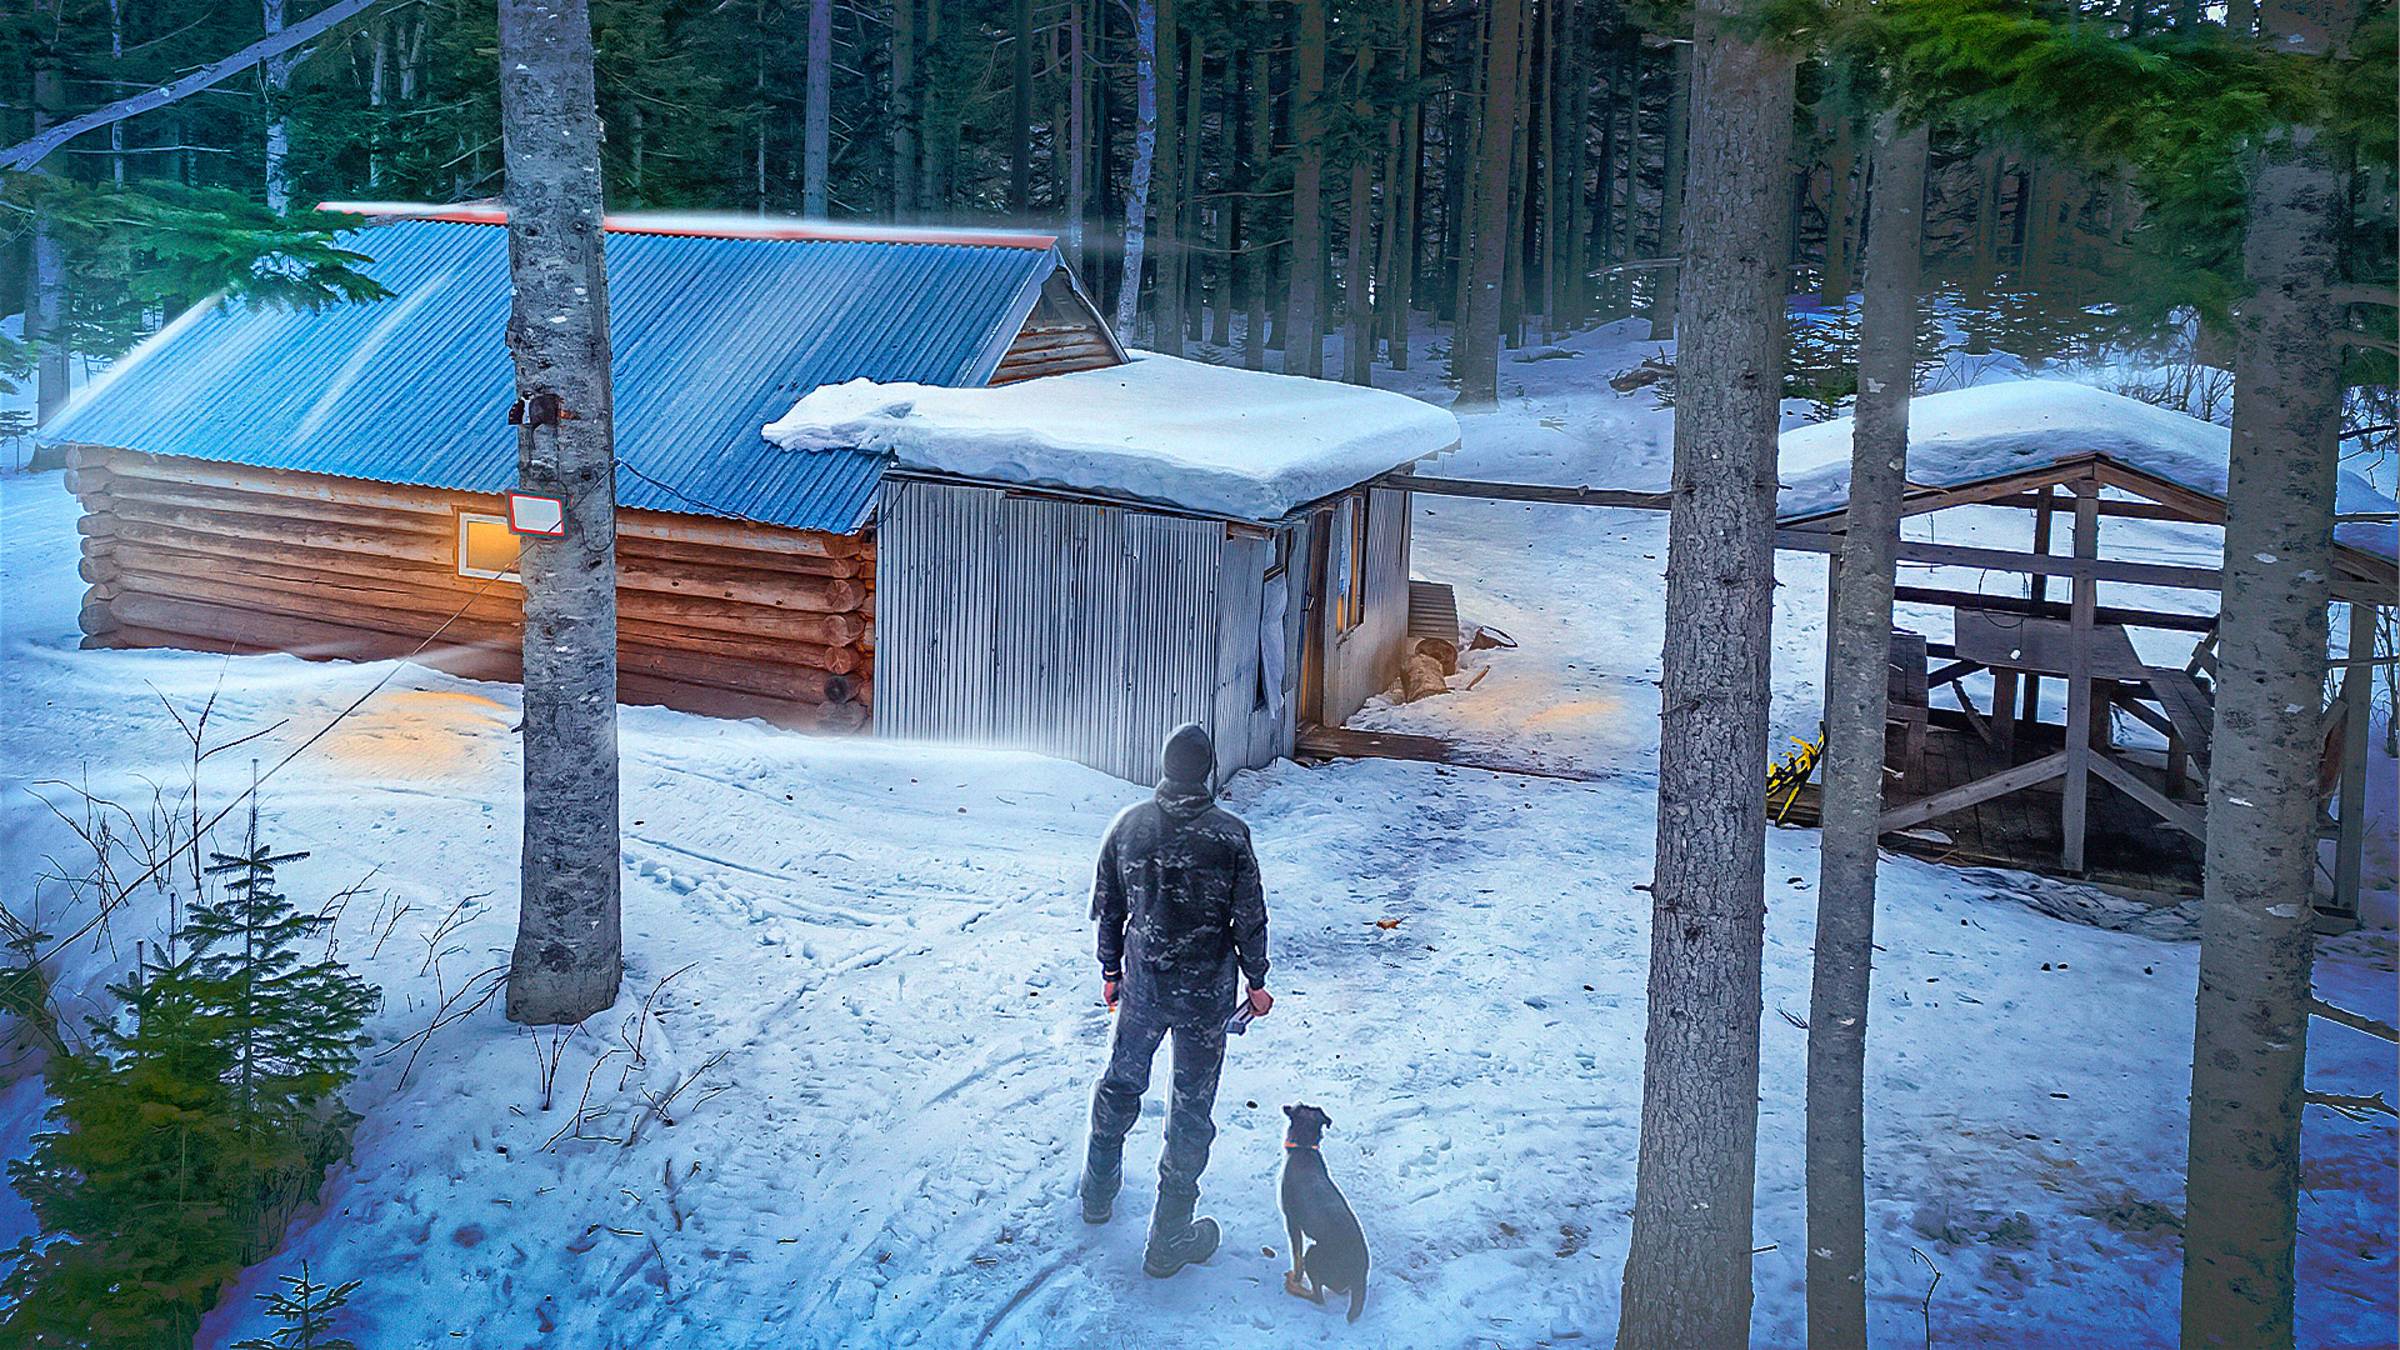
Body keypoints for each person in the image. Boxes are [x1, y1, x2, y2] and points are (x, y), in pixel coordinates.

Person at [1080, 722, 1274, 1278]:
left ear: (1164, 767)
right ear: (1208, 771)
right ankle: (1168, 1240)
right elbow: (1250, 917)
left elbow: (1108, 907)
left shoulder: (1129, 827)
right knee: (1191, 1110)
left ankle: (1097, 1193)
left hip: (1143, 987)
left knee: (1120, 1083)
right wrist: (1256, 983)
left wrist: (1111, 970)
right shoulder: (1231, 836)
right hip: (1206, 999)